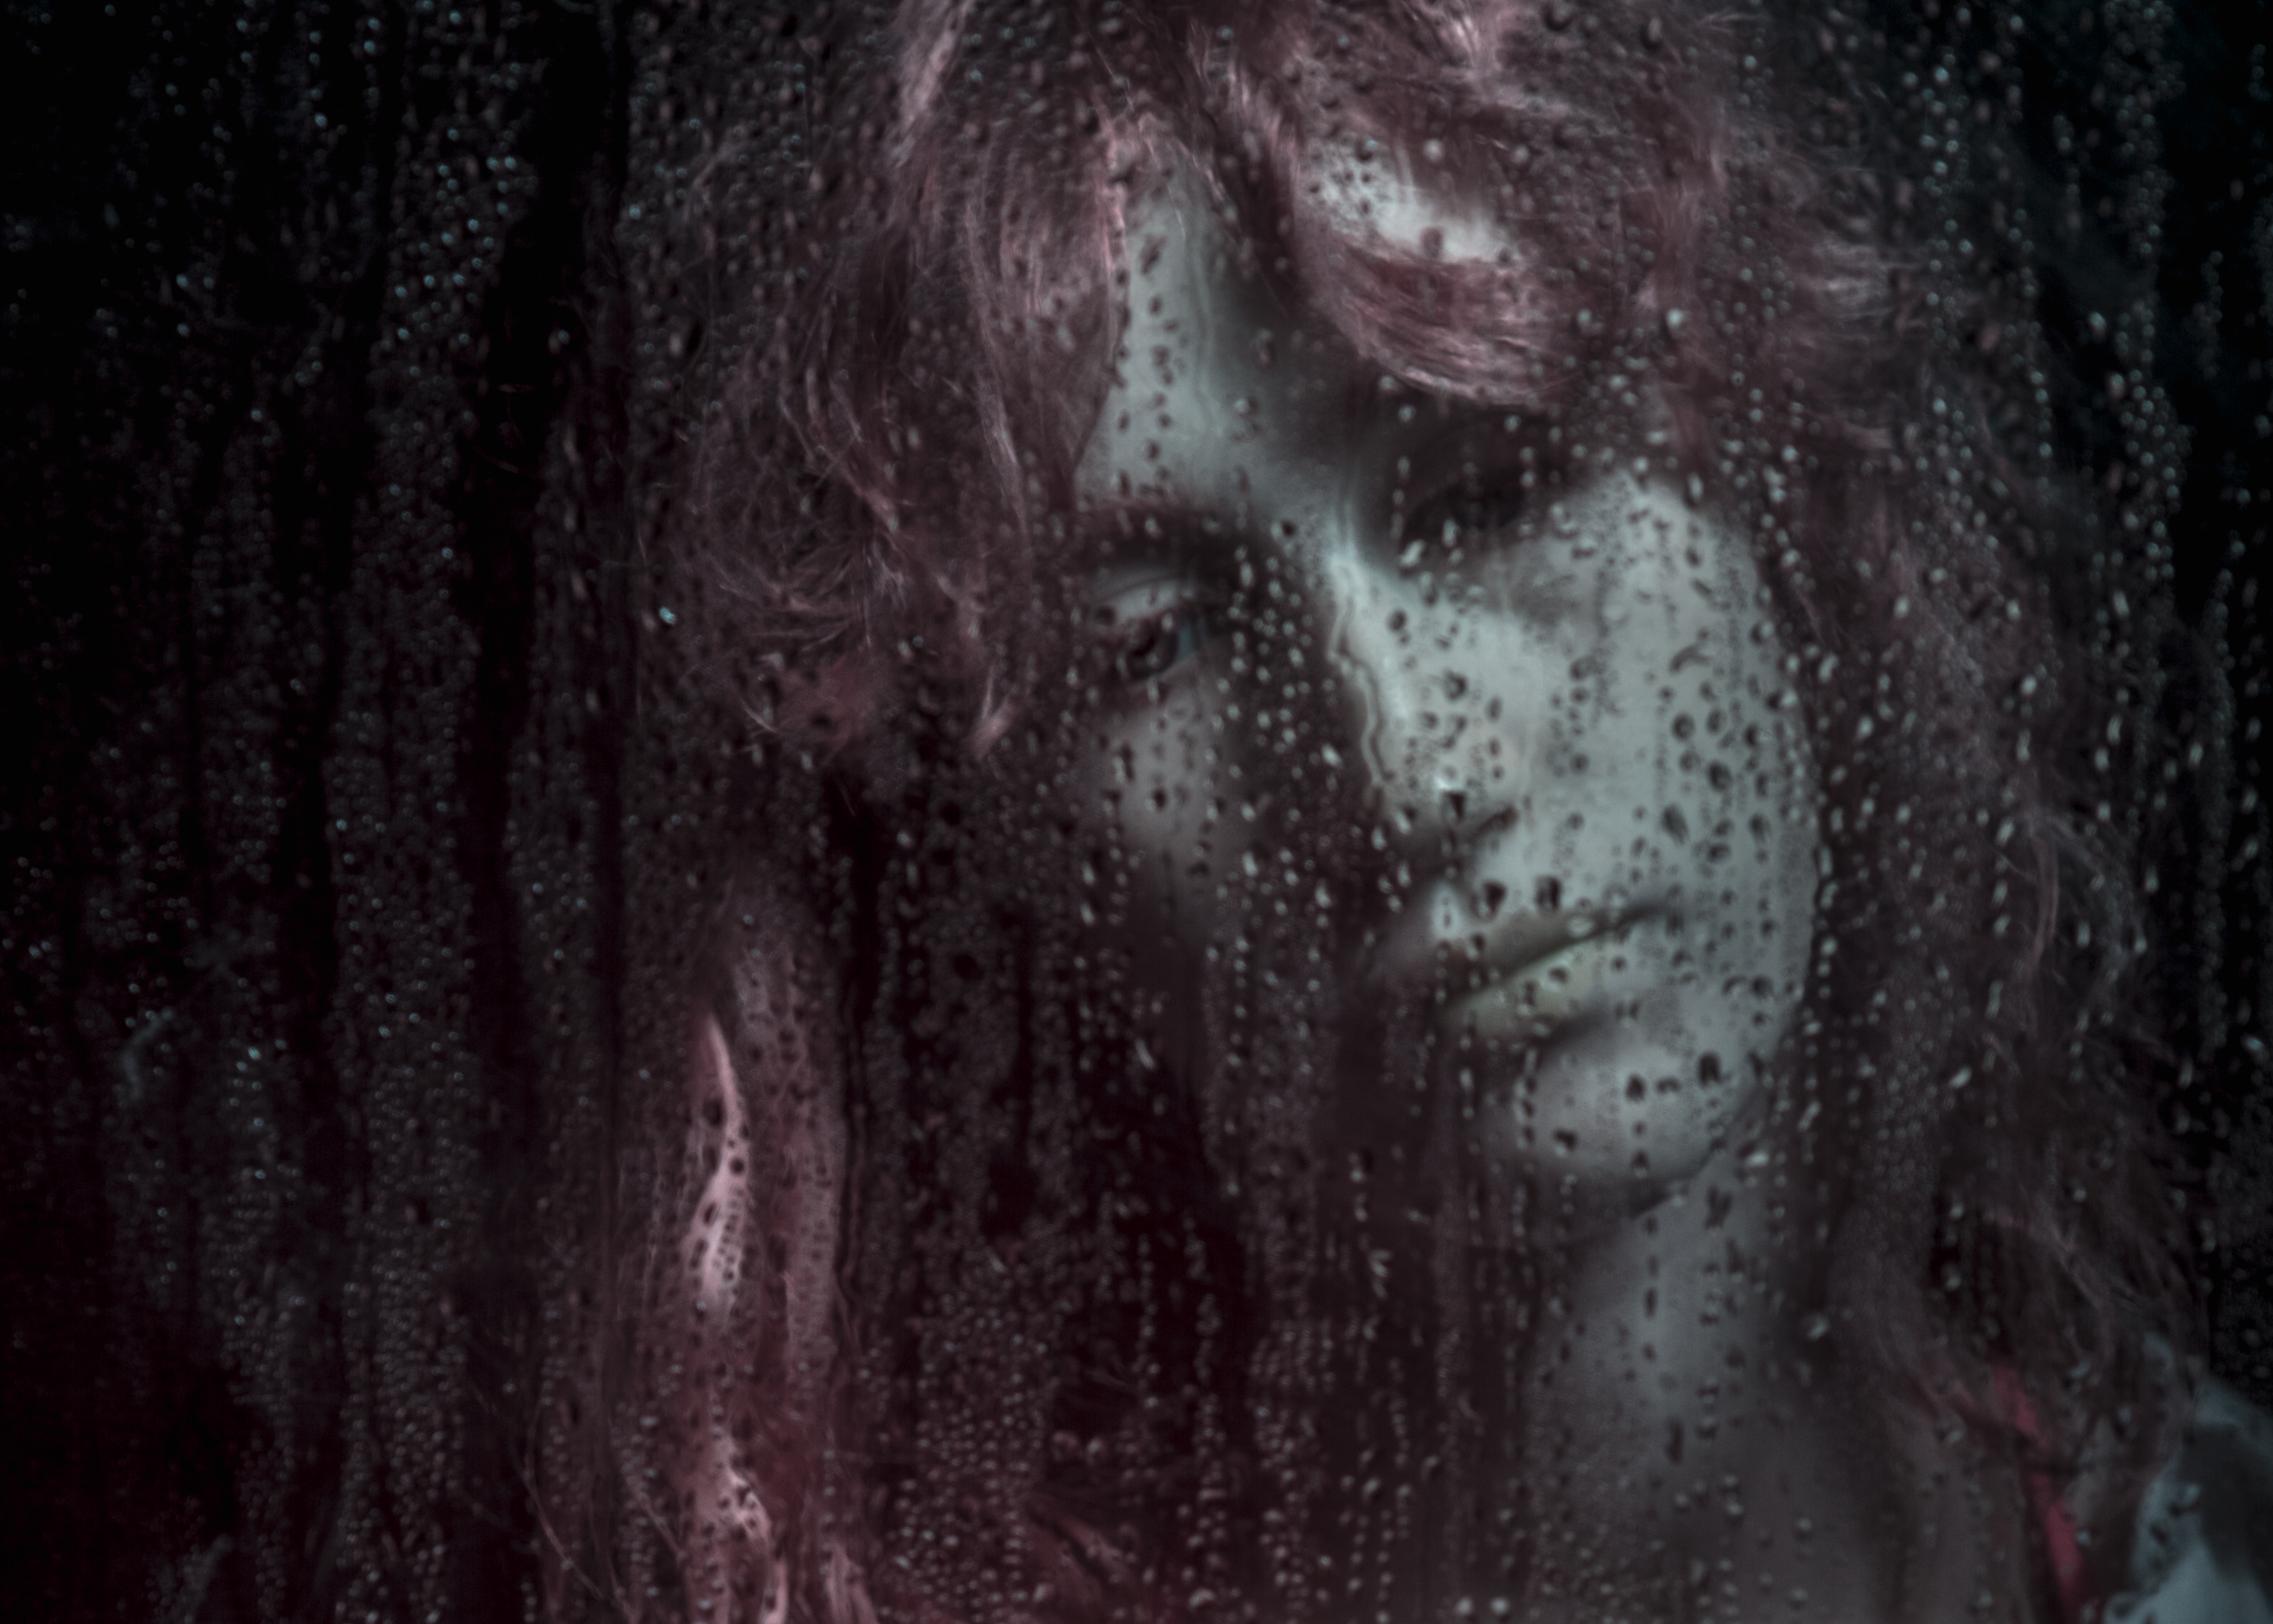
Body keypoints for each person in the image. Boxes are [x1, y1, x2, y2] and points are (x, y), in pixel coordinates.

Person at [596, 1, 2269, 1619]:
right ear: (998, 852)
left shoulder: (2217, 1551)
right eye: (1146, 646)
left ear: (1787, 491)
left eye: (1496, 478)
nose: (1413, 770)